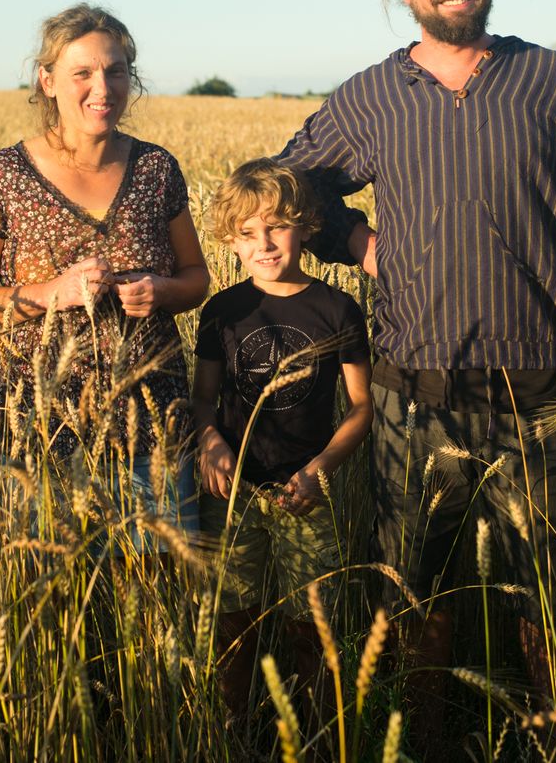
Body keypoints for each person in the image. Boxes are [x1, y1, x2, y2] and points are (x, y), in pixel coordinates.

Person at [276, 0, 556, 731]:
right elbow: (289, 184)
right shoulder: (373, 97)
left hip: (539, 390)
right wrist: (356, 239)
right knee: (416, 593)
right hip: (410, 391)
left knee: (555, 594)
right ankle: (420, 738)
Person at [0, 3, 210, 536]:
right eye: (82, 73)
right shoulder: (5, 176)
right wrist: (51, 293)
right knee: (52, 591)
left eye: (116, 71)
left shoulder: (157, 169)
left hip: (152, 418)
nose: (103, 88)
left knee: (153, 582)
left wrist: (160, 291)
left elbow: (196, 278)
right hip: (40, 422)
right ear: (47, 81)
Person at [191, 159, 373, 730]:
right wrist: (209, 442)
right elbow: (203, 400)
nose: (264, 244)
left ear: (305, 227)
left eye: (276, 227)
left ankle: (317, 733)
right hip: (233, 490)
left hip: (305, 492)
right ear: (230, 241)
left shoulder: (337, 309)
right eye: (247, 233)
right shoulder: (223, 310)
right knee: (233, 621)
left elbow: (362, 406)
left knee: (311, 626)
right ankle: (236, 729)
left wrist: (322, 468)